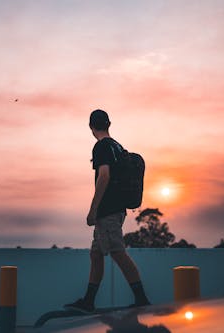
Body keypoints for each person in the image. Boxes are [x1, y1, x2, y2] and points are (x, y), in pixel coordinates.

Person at [64, 109, 150, 313]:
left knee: (118, 252)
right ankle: (89, 300)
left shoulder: (101, 147)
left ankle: (141, 299)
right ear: (109, 124)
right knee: (96, 254)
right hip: (116, 209)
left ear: (91, 127)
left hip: (108, 210)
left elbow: (104, 177)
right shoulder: (117, 146)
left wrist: (93, 209)